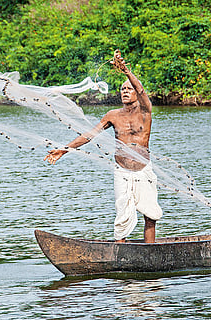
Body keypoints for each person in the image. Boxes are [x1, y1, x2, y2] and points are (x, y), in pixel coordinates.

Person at [44, 50, 162, 243]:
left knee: (150, 215)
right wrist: (64, 149)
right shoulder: (112, 115)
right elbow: (89, 135)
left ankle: (151, 252)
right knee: (122, 216)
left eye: (128, 88)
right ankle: (119, 251)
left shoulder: (145, 111)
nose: (125, 91)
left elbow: (141, 90)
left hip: (143, 171)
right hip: (121, 171)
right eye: (122, 89)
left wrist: (125, 71)